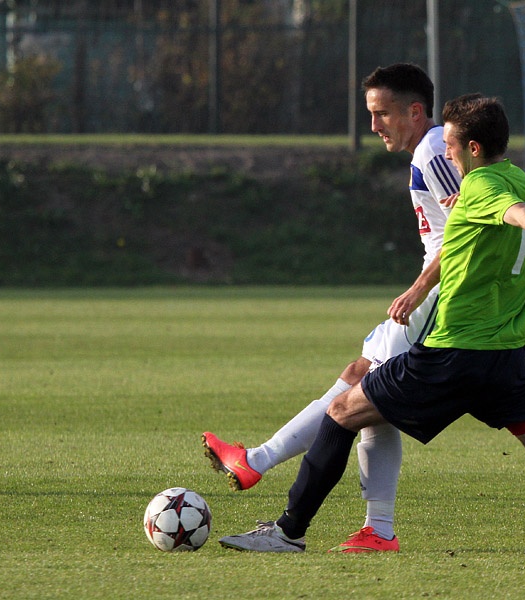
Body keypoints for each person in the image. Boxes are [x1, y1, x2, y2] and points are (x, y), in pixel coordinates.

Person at [206, 93, 525, 554]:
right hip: (509, 362)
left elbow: (519, 218)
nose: (446, 154)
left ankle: (288, 532)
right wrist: (431, 274)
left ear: (474, 149)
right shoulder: (520, 179)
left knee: (343, 408)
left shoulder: (484, 189)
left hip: (454, 354)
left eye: (453, 147)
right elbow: (499, 221)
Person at [202, 63, 461, 553]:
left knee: (363, 391)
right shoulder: (427, 151)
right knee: (369, 396)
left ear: (415, 110)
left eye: (381, 113)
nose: (374, 125)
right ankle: (377, 530)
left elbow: (469, 227)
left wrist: (420, 288)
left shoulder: (431, 150)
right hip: (435, 295)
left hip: (437, 298)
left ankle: (256, 462)